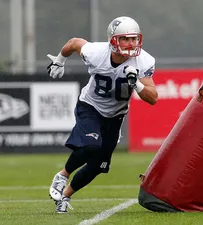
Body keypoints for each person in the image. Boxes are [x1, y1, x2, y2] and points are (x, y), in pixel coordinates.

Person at [46, 16, 158, 213]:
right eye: (125, 39)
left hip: (116, 116)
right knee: (91, 145)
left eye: (134, 39)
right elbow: (74, 43)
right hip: (90, 106)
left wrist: (137, 83)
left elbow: (152, 97)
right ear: (113, 40)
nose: (131, 43)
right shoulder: (96, 53)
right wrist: (60, 61)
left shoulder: (144, 60)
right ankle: (63, 175)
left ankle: (64, 196)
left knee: (98, 165)